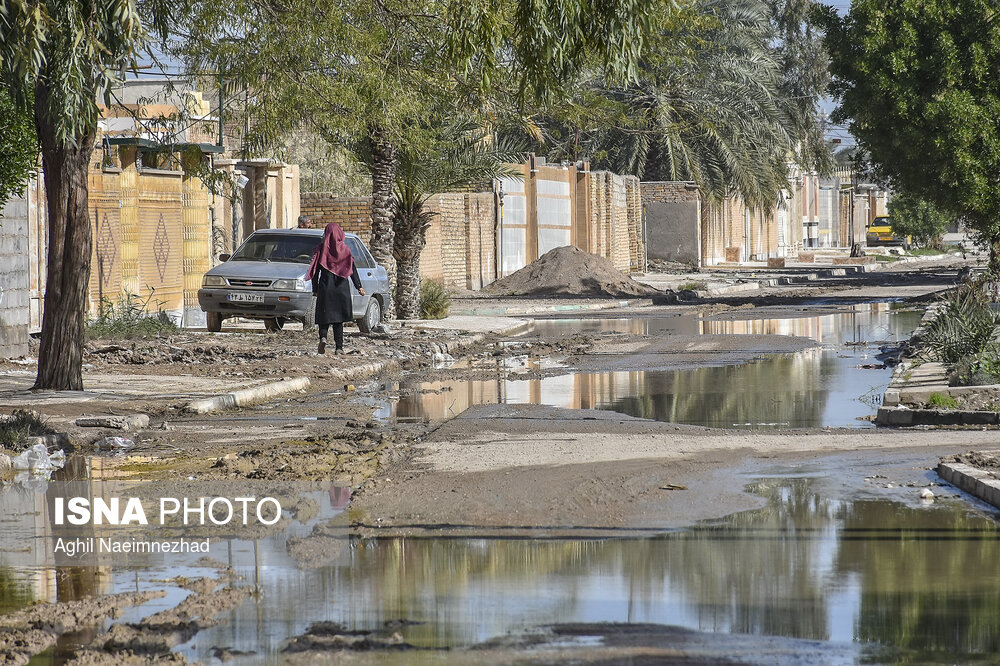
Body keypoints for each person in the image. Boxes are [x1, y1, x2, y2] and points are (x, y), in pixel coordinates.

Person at [305, 223, 365, 354]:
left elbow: (315, 272)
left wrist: (315, 289)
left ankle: (323, 338)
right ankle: (339, 348)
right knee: (339, 320)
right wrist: (359, 286)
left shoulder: (321, 250)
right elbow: (352, 270)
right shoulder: (345, 250)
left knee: (323, 317)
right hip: (341, 289)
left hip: (325, 288)